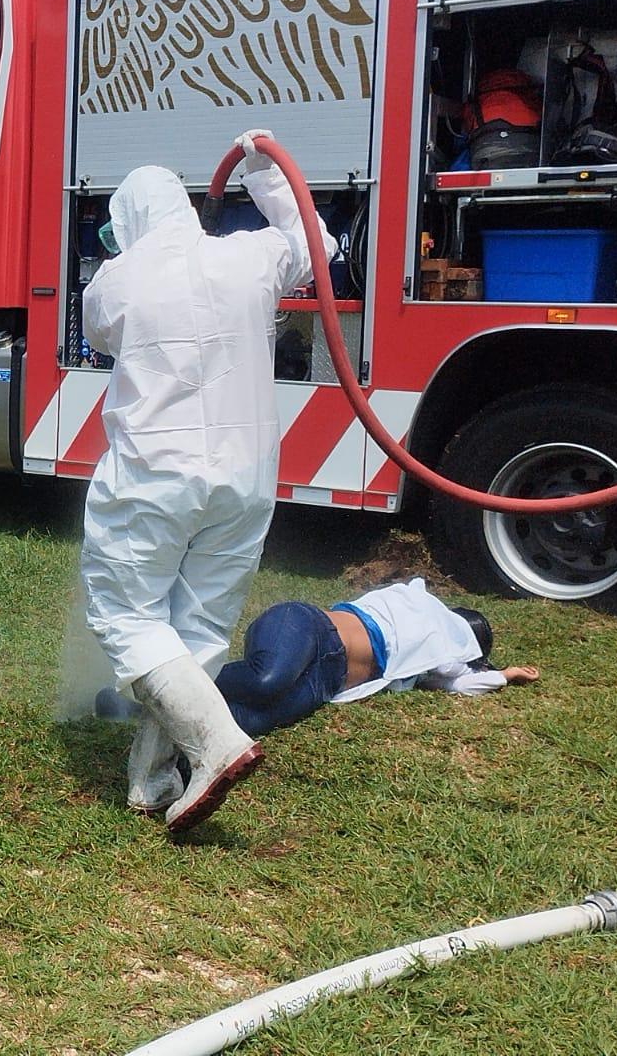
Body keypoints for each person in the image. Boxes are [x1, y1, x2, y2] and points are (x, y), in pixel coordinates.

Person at [79, 129, 337, 834]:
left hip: (154, 476)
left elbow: (100, 335)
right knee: (197, 625)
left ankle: (216, 744)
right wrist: (263, 168)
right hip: (246, 476)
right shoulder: (249, 256)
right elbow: (319, 244)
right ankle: (152, 778)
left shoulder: (116, 278)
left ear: (129, 221)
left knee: (128, 616)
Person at [217, 580, 539, 738]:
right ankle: (176, 678)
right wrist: (483, 667)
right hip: (307, 629)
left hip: (326, 681)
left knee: (253, 720)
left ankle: (171, 725)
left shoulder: (419, 662)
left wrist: (505, 676)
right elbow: (453, 668)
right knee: (267, 681)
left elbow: (456, 683)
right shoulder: (425, 618)